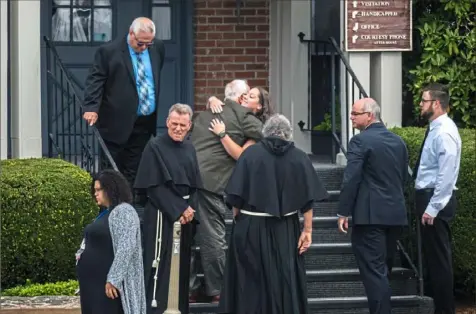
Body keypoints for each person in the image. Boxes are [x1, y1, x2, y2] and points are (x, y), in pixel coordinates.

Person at [218, 114, 329, 314]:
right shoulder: (300, 157)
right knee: (284, 279)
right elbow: (308, 199)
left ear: (265, 132)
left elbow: (235, 197)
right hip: (285, 228)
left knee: (250, 281)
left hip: (251, 226)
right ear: (288, 134)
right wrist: (308, 230)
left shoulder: (250, 155)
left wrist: (238, 218)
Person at [189, 79, 263, 303]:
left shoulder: (203, 115)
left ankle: (190, 289)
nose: (249, 98)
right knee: (213, 237)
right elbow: (268, 133)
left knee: (188, 237)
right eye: (248, 94)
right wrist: (251, 138)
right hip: (210, 183)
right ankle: (217, 290)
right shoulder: (242, 116)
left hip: (188, 178)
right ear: (241, 98)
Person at [337, 98, 409, 314]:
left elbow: (351, 178)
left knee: (374, 273)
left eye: (355, 113)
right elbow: (403, 177)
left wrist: (343, 211)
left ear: (369, 115)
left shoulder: (360, 141)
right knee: (383, 271)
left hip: (370, 218)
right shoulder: (399, 142)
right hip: (395, 215)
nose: (351, 117)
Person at [133, 103, 202, 314]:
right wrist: (180, 208)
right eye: (174, 124)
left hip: (185, 216)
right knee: (160, 266)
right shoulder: (154, 146)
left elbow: (195, 186)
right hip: (162, 216)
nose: (178, 128)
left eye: (183, 125)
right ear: (167, 123)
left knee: (181, 268)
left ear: (189, 125)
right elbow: (153, 187)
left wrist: (190, 210)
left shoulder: (190, 148)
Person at [82, 17, 165, 189]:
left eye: (148, 44)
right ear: (131, 33)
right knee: (111, 171)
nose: (144, 48)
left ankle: (128, 208)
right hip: (115, 122)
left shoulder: (157, 48)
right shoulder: (109, 51)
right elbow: (96, 80)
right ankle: (110, 209)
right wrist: (91, 107)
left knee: (134, 169)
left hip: (144, 121)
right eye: (140, 43)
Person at [414, 83, 461, 314]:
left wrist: (433, 207)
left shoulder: (444, 131)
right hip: (429, 199)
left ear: (436, 103)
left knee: (440, 260)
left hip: (436, 202)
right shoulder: (435, 128)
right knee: (433, 259)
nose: (421, 105)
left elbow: (447, 173)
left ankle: (445, 310)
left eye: (424, 100)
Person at [76, 169, 146, 314]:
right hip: (94, 287)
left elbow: (126, 247)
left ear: (110, 189)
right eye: (94, 190)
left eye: (98, 190)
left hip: (109, 288)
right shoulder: (105, 214)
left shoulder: (124, 211)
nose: (95, 194)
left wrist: (113, 279)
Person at [208, 86, 274, 160]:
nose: (245, 97)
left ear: (259, 106)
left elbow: (242, 155)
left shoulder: (255, 129)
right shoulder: (237, 113)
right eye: (246, 94)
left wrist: (222, 134)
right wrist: (212, 100)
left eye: (251, 96)